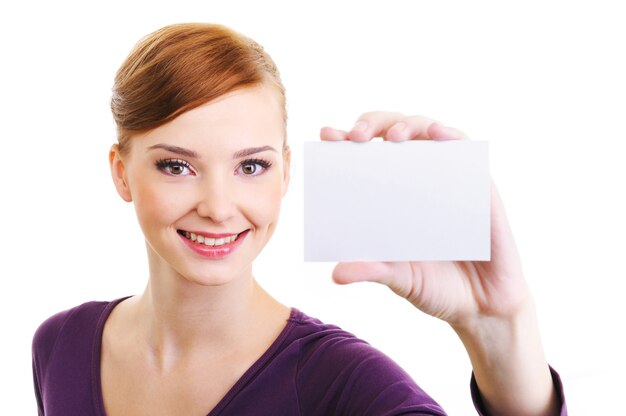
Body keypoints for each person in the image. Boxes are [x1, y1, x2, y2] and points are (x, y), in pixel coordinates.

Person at [31, 23, 566, 415]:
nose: (218, 206)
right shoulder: (61, 346)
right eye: (177, 165)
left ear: (285, 173)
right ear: (121, 173)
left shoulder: (343, 383)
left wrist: (500, 326)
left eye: (251, 166)